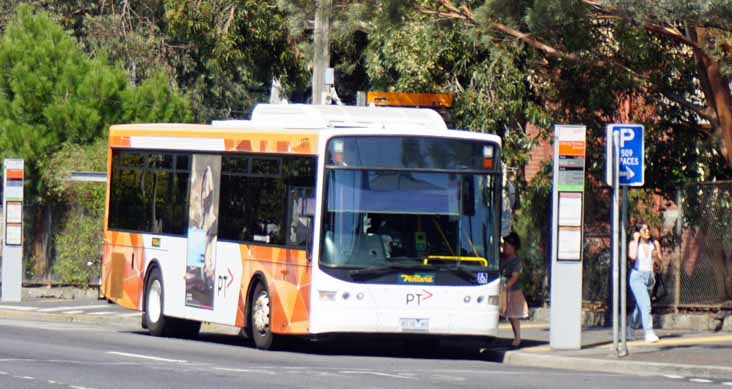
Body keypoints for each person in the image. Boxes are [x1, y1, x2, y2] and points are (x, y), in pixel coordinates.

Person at [627, 222, 662, 343]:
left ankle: (631, 327)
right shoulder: (633, 243)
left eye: (648, 229)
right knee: (646, 304)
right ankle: (649, 332)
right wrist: (636, 240)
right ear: (638, 233)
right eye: (644, 230)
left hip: (650, 277)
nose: (647, 232)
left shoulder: (654, 243)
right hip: (637, 277)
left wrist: (656, 256)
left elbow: (659, 261)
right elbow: (632, 256)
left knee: (640, 305)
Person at [500, 232, 529, 348]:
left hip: (513, 291)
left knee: (513, 315)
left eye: (506, 246)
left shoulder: (516, 261)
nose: (504, 248)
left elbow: (515, 276)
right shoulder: (501, 258)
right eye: (503, 246)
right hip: (503, 289)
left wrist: (507, 286)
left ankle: (517, 337)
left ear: (513, 247)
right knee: (507, 314)